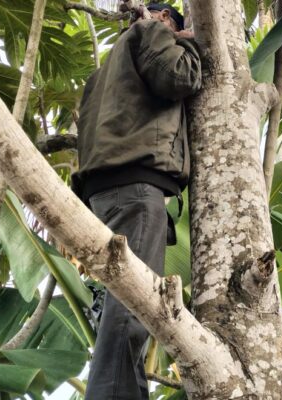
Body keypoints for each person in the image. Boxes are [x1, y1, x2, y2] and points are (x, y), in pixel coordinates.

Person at [71, 3, 202, 399]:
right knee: (132, 314)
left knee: (123, 309)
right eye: (177, 25)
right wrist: (190, 45)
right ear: (163, 18)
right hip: (134, 184)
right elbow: (179, 77)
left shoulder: (104, 72)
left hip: (104, 190)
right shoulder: (149, 32)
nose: (178, 32)